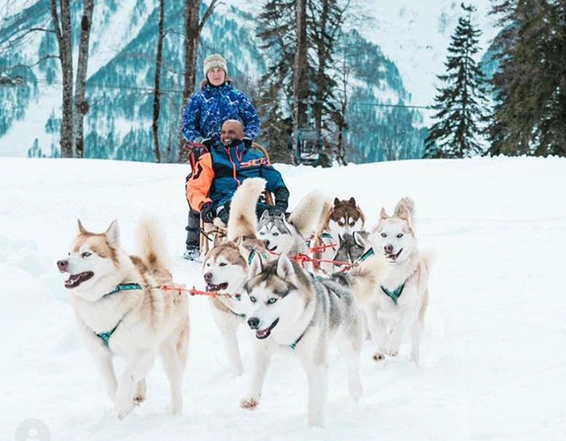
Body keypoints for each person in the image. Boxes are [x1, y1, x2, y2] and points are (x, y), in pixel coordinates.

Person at [181, 54, 261, 261]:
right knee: (197, 186)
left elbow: (253, 120)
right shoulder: (198, 99)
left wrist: (247, 138)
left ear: (225, 73)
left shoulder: (237, 97)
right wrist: (201, 140)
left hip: (236, 152)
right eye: (212, 70)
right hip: (208, 152)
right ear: (207, 74)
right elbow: (187, 127)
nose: (216, 74)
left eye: (219, 70)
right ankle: (193, 243)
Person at [186, 119, 290, 240]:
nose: (226, 136)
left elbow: (276, 181)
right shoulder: (210, 158)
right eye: (223, 132)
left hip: (253, 203)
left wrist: (281, 203)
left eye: (231, 132)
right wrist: (204, 206)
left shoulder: (257, 158)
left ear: (242, 135)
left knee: (275, 219)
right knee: (233, 213)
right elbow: (195, 188)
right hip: (223, 204)